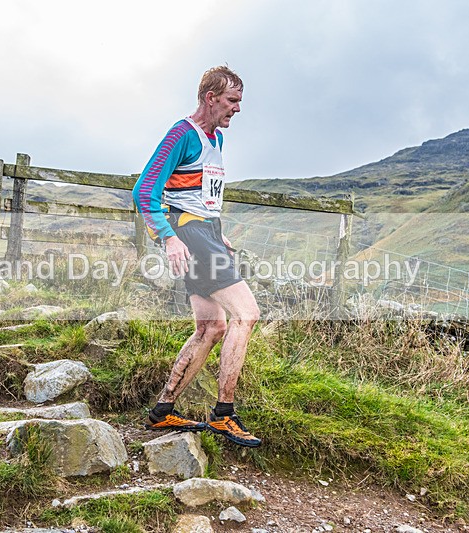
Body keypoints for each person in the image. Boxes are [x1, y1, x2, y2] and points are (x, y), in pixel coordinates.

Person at [132, 66, 262, 447]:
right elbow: (145, 192)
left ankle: (162, 411)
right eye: (232, 101)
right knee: (247, 313)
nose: (237, 109)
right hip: (189, 236)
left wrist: (219, 235)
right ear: (211, 97)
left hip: (204, 235)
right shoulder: (181, 135)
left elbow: (203, 195)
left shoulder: (216, 138)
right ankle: (224, 415)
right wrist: (170, 239)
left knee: (212, 327)